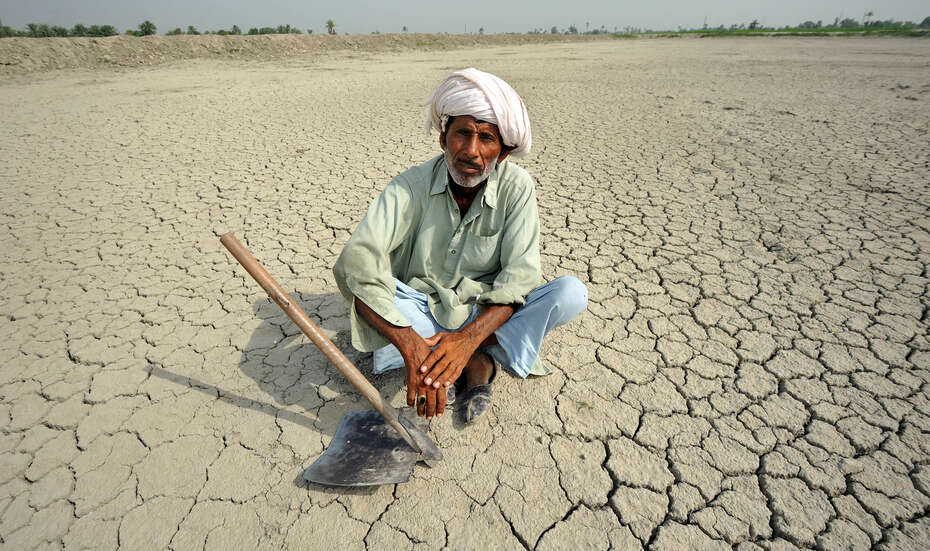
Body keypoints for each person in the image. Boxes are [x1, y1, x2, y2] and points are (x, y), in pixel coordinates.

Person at [333, 68, 587, 423]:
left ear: (503, 153)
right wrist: (409, 344)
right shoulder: (410, 186)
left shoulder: (517, 188)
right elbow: (356, 261)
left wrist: (467, 339)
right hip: (422, 308)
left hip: (487, 311)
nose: (471, 151)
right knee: (373, 291)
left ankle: (470, 354)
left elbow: (519, 278)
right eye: (462, 134)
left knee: (571, 293)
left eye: (486, 138)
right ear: (443, 139)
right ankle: (466, 363)